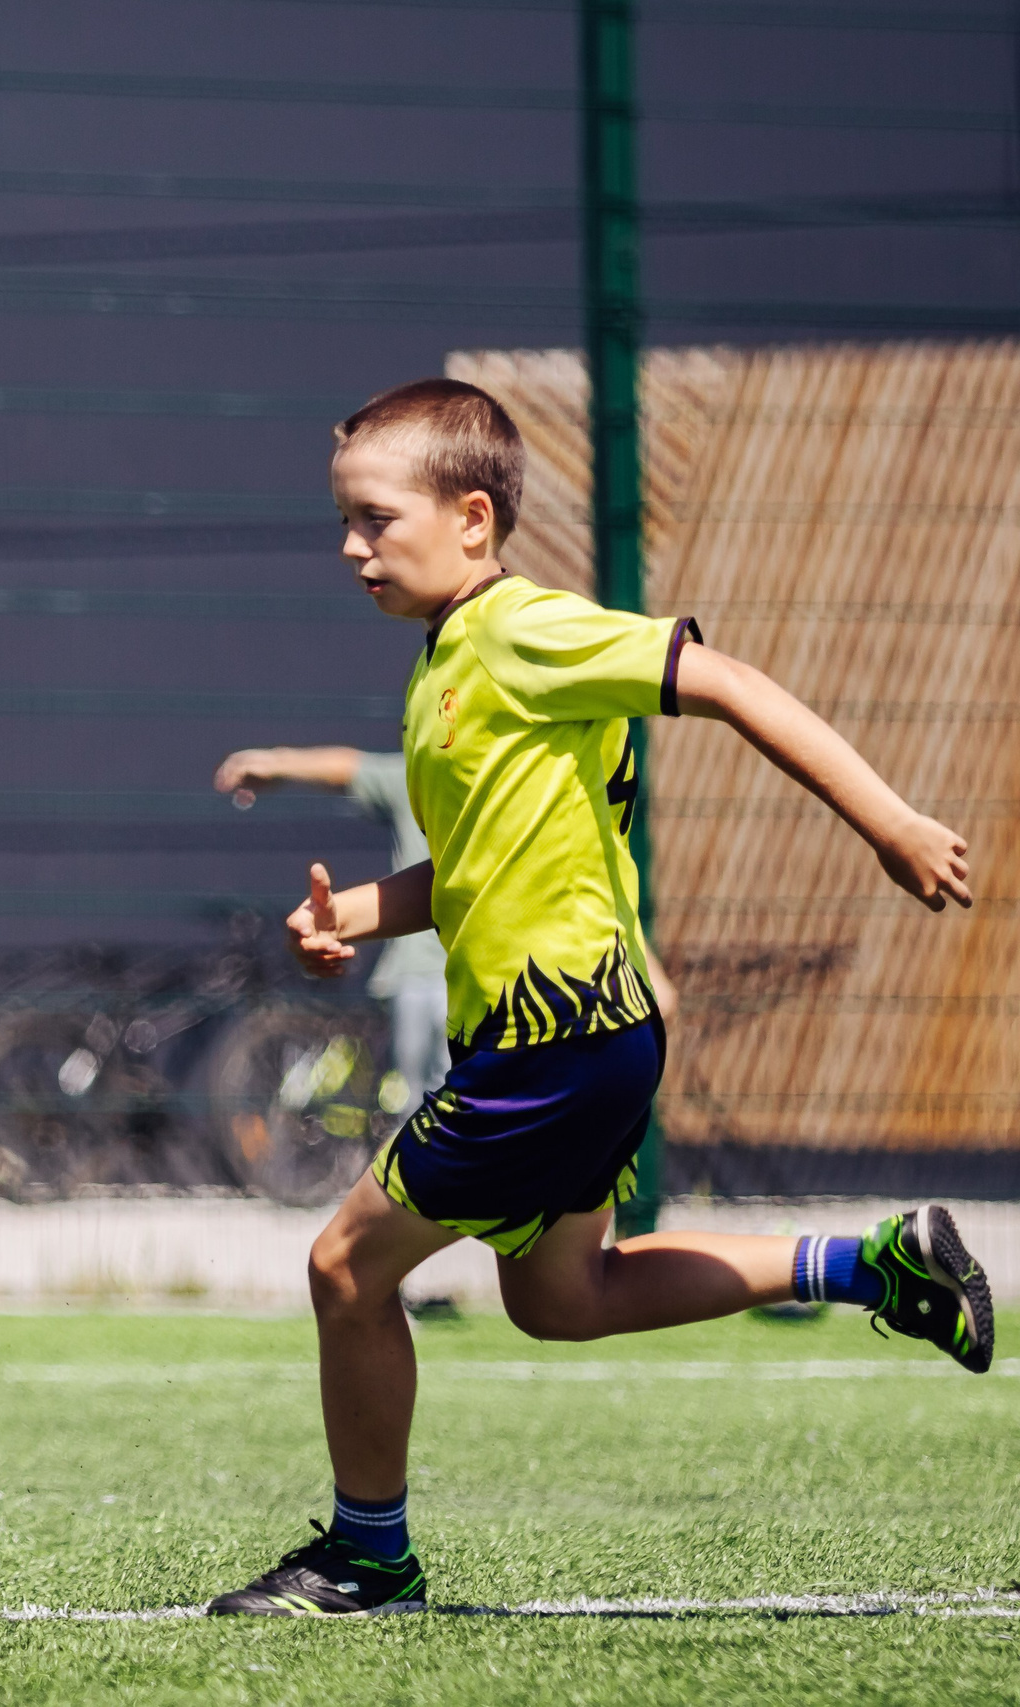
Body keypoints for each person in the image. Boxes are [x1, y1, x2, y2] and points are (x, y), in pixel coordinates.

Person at [208, 378, 990, 1618]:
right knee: (561, 1298)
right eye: (342, 522)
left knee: (346, 1269)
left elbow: (723, 682)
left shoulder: (525, 629)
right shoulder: (446, 662)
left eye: (373, 519)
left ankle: (369, 1556)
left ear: (473, 518)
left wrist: (887, 821)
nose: (350, 549)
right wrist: (356, 913)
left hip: (555, 1044)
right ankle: (874, 1269)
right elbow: (477, 864)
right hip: (575, 1039)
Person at [213, 745, 450, 1116]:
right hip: (430, 974)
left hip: (474, 975)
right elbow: (434, 890)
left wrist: (276, 763)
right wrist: (337, 920)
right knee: (427, 1124)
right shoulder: (427, 771)